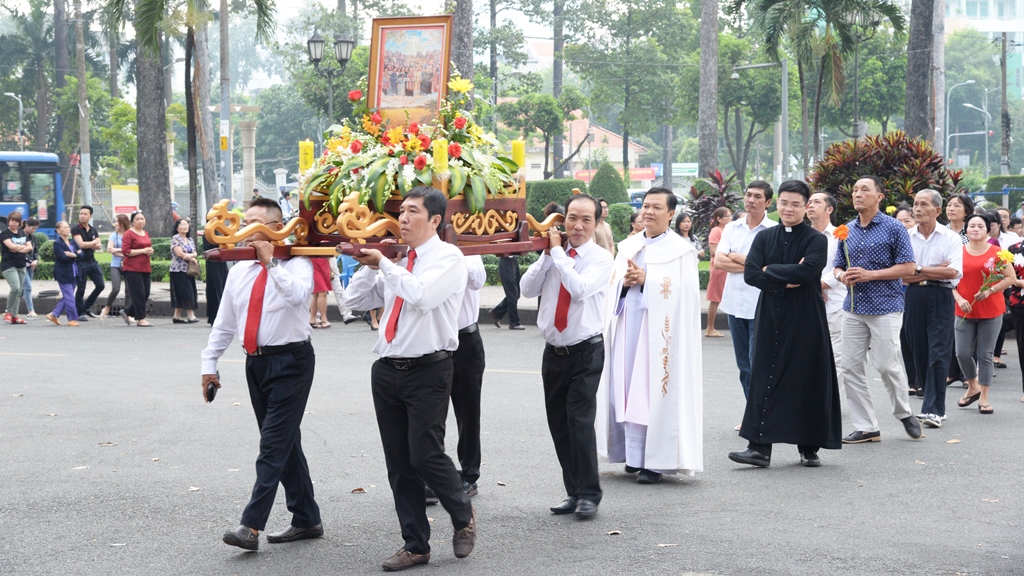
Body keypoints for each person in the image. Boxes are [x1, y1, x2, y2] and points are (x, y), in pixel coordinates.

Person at [343, 186, 476, 571]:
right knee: (399, 462)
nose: (403, 218)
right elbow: (353, 304)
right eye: (401, 211)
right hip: (387, 370)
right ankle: (415, 545)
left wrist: (385, 265)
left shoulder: (449, 258)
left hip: (428, 369)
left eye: (412, 211)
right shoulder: (398, 260)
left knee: (425, 453)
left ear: (435, 220)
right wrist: (371, 269)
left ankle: (462, 513)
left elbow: (421, 296)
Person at [201, 197, 323, 552]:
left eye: (256, 224)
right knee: (285, 443)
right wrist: (209, 365)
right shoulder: (238, 268)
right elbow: (224, 323)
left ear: (275, 228)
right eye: (244, 224)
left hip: (292, 362)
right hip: (255, 363)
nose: (245, 231)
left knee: (272, 445)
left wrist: (270, 262)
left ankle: (251, 526)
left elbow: (299, 295)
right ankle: (307, 518)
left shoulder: (297, 262)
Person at [728, 180, 842, 468]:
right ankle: (758, 449)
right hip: (770, 314)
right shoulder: (765, 238)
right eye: (784, 202)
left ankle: (809, 447)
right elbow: (751, 274)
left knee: (806, 376)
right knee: (763, 376)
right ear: (776, 204)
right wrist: (782, 279)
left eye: (795, 204)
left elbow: (807, 272)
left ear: (806, 207)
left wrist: (770, 270)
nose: (788, 208)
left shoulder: (817, 239)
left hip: (806, 317)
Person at [596, 187, 703, 484]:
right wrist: (626, 283)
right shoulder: (628, 247)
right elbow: (612, 284)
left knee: (650, 390)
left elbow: (687, 296)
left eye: (657, 207)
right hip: (628, 324)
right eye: (646, 206)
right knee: (626, 389)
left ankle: (656, 461)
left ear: (671, 214)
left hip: (658, 335)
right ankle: (633, 455)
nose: (649, 212)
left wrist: (648, 281)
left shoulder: (682, 252)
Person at [520, 193, 613, 518]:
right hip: (553, 353)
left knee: (579, 420)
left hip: (586, 351)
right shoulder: (553, 256)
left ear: (597, 222)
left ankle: (590, 494)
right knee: (559, 424)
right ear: (563, 219)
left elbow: (578, 289)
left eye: (586, 219)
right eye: (572, 218)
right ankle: (573, 492)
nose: (577, 226)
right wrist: (547, 256)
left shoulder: (601, 259)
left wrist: (558, 253)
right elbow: (526, 289)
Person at [833, 176, 921, 443]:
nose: (857, 194)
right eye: (855, 189)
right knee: (850, 367)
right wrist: (841, 277)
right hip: (853, 307)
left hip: (886, 307)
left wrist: (871, 275)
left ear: (879, 197)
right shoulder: (846, 230)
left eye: (864, 190)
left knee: (886, 365)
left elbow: (907, 267)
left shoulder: (895, 228)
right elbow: (837, 265)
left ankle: (904, 413)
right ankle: (867, 426)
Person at [902, 190, 963, 429]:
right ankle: (933, 404)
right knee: (919, 352)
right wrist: (929, 268)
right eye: (915, 204)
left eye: (923, 204)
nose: (917, 208)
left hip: (941, 295)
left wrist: (916, 269)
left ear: (937, 210)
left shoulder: (950, 238)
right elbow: (901, 276)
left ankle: (933, 409)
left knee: (938, 352)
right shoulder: (907, 236)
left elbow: (952, 272)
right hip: (914, 296)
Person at [714, 181, 777, 405]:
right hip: (734, 304)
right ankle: (753, 412)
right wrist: (755, 266)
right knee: (743, 365)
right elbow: (720, 261)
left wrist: (738, 258)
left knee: (758, 361)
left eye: (757, 196)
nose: (751, 200)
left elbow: (773, 268)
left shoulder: (773, 232)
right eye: (748, 195)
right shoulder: (732, 228)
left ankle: (763, 412)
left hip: (760, 304)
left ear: (768, 202)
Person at [953, 213, 1016, 416]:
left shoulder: (998, 253)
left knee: (985, 354)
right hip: (964, 310)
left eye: (981, 226)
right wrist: (959, 299)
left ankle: (984, 397)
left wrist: (989, 290)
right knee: (962, 353)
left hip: (991, 311)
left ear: (988, 230)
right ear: (966, 230)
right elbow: (949, 281)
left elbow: (1010, 278)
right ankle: (973, 386)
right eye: (972, 226)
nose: (976, 229)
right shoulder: (957, 252)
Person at [451, 255, 486, 496]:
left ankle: (469, 474)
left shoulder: (467, 249)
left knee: (468, 412)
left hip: (465, 339)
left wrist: (452, 250)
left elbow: (478, 279)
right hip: (432, 339)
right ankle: (432, 474)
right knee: (429, 415)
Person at [806, 193, 847, 384]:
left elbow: (841, 267)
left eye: (816, 202)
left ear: (829, 209)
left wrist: (814, 286)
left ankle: (830, 403)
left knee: (835, 355)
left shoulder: (841, 236)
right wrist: (812, 288)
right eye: (809, 202)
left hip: (834, 304)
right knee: (808, 354)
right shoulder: (801, 235)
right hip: (807, 302)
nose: (810, 205)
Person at [121, 211, 155, 327]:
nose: (140, 221)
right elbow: (126, 251)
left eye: (142, 218)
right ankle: (141, 319)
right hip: (132, 268)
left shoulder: (145, 233)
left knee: (145, 293)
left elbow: (148, 246)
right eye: (137, 219)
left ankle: (127, 311)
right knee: (138, 294)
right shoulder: (128, 234)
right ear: (132, 222)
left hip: (145, 267)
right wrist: (143, 251)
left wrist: (150, 250)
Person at [71, 205, 105, 319]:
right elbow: (81, 244)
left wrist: (90, 244)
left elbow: (99, 246)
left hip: (92, 261)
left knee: (100, 285)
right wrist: (93, 243)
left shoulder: (93, 229)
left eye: (85, 214)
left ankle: (86, 306)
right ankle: (79, 313)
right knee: (81, 288)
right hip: (81, 262)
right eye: (81, 214)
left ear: (91, 216)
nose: (82, 216)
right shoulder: (76, 229)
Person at [45, 221, 80, 326]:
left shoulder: (73, 242)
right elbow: (62, 258)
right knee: (69, 296)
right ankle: (72, 319)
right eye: (64, 227)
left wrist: (73, 255)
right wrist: (75, 256)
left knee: (67, 296)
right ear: (58, 230)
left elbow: (81, 254)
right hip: (63, 273)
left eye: (68, 227)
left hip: (74, 272)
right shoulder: (57, 243)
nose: (67, 229)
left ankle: (54, 315)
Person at [704, 206, 732, 338]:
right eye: (728, 216)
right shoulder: (716, 230)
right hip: (719, 268)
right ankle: (709, 328)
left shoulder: (727, 230)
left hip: (726, 267)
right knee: (715, 298)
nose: (730, 218)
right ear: (719, 219)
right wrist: (730, 253)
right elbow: (713, 252)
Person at [1003, 235, 1024, 403]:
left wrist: (1018, 281)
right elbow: (1006, 276)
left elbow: (1014, 280)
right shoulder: (1013, 249)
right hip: (1020, 304)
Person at [2, 211, 32, 324]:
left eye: (16, 221)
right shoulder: (4, 233)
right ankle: (8, 312)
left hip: (21, 265)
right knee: (15, 287)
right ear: (8, 221)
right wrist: (23, 247)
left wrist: (18, 248)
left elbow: (29, 247)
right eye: (12, 221)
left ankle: (14, 316)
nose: (13, 223)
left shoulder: (22, 234)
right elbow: (10, 246)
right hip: (9, 265)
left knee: (20, 291)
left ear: (19, 223)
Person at [100, 214, 132, 321]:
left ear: (123, 222)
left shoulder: (131, 234)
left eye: (117, 221)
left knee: (129, 290)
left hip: (129, 265)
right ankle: (107, 307)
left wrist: (117, 250)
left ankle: (127, 313)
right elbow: (110, 249)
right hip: (115, 265)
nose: (115, 224)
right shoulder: (114, 235)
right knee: (115, 289)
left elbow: (130, 249)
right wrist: (125, 252)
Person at [170, 219, 200, 323]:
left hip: (189, 270)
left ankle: (176, 316)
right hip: (178, 270)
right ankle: (191, 316)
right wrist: (191, 258)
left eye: (186, 224)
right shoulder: (176, 238)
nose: (184, 226)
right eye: (182, 225)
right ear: (177, 228)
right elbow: (179, 253)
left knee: (182, 292)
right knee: (187, 292)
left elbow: (195, 252)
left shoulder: (190, 239)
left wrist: (192, 255)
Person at [489, 254, 524, 330]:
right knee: (513, 294)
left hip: (513, 260)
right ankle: (514, 322)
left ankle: (496, 313)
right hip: (506, 261)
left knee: (516, 294)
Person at [204, 235, 229, 325]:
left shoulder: (222, 231)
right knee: (215, 288)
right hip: (213, 262)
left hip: (222, 262)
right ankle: (215, 316)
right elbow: (207, 249)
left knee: (223, 287)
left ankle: (223, 316)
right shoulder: (209, 232)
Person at [328, 256, 358, 324]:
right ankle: (316, 317)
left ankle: (347, 315)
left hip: (329, 259)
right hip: (321, 260)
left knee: (338, 291)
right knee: (319, 293)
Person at [21, 217, 39, 319]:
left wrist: (36, 260)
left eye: (36, 228)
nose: (34, 230)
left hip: (31, 266)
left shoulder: (33, 237)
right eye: (33, 228)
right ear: (27, 225)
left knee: (22, 290)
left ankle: (9, 310)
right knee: (27, 288)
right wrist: (29, 260)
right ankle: (31, 311)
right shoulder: (19, 236)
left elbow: (35, 251)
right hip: (22, 265)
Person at [309, 257, 332, 328]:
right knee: (322, 292)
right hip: (315, 263)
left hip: (323, 263)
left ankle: (312, 319)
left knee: (316, 294)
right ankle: (323, 319)